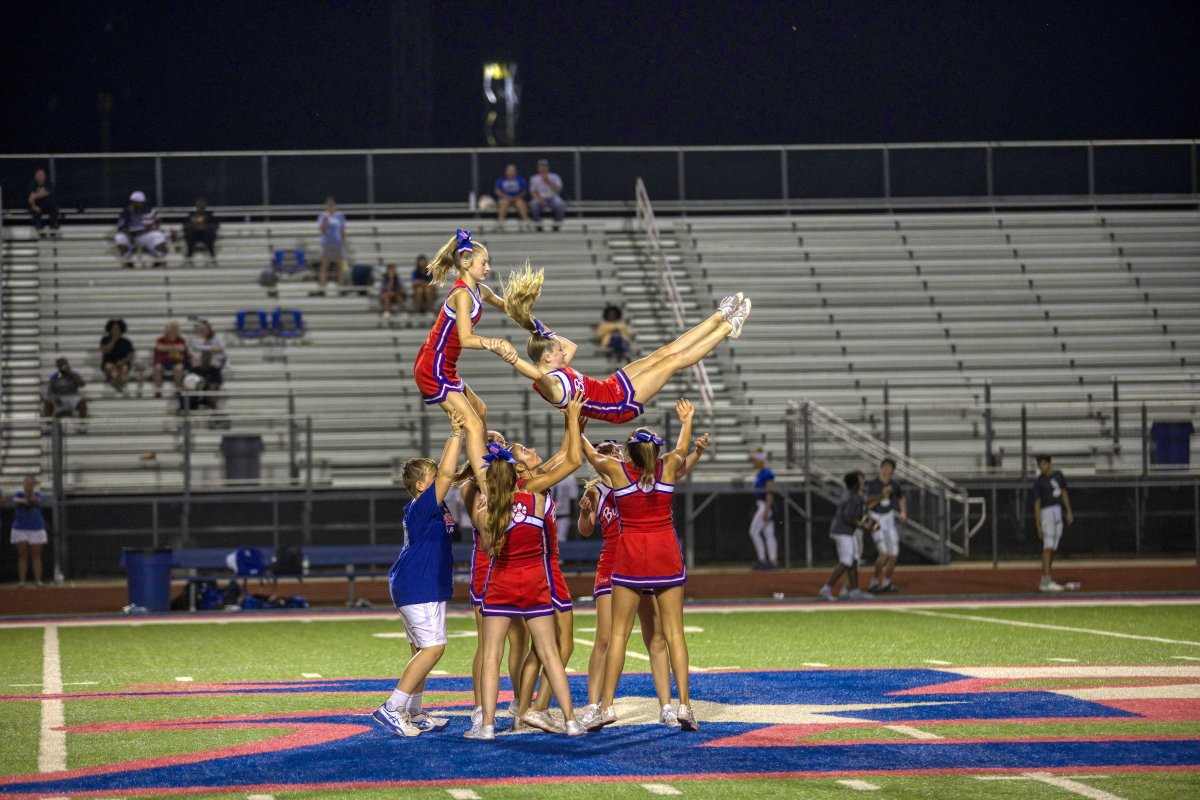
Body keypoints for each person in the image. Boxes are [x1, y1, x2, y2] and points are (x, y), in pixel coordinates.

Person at [577, 404, 709, 731]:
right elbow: (682, 449)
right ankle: (684, 706)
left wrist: (574, 425)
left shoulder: (618, 472)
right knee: (674, 634)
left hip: (631, 555)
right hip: (665, 553)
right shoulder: (669, 466)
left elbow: (590, 455)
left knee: (618, 634)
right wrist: (687, 421)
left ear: (630, 453)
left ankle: (606, 706)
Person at [468, 396, 587, 740]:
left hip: (502, 580)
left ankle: (488, 724)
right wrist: (573, 419)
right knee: (551, 652)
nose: (531, 451)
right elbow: (571, 460)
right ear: (516, 471)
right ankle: (569, 720)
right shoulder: (535, 496)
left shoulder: (489, 507)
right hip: (537, 578)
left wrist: (467, 429)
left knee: (491, 654)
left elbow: (489, 546)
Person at [495, 269, 750, 424]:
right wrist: (512, 357)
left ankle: (720, 315)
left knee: (663, 352)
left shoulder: (558, 366)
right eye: (556, 349)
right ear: (547, 357)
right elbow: (536, 373)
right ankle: (729, 328)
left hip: (612, 386)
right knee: (672, 362)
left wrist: (533, 324)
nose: (562, 350)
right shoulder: (549, 384)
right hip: (619, 404)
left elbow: (570, 347)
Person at [372, 410, 466, 737]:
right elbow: (448, 474)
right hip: (419, 583)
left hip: (419, 581)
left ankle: (413, 710)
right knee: (433, 649)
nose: (442, 478)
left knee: (419, 650)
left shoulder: (428, 504)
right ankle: (392, 707)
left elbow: (453, 474)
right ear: (422, 485)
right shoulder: (425, 502)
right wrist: (456, 433)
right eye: (435, 476)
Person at [413, 229, 517, 486]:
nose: (488, 268)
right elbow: (466, 338)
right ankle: (487, 488)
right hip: (433, 365)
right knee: (472, 424)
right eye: (484, 263)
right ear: (468, 263)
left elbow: (508, 307)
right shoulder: (461, 295)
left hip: (445, 365)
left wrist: (525, 308)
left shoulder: (480, 291)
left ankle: (479, 466)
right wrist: (494, 343)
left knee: (480, 410)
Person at [818, 471, 877, 602]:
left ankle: (854, 591)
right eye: (860, 481)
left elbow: (858, 512)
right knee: (846, 561)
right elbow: (848, 517)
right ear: (855, 484)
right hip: (843, 531)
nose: (863, 483)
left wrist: (867, 522)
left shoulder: (853, 495)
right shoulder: (852, 497)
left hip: (846, 531)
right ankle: (826, 589)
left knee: (854, 559)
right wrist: (864, 526)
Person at [1033, 454, 1073, 592]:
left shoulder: (1058, 475)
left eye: (1043, 464)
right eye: (1040, 465)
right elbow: (1037, 503)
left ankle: (1047, 578)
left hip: (1057, 511)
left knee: (1052, 547)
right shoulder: (1039, 482)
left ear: (1049, 464)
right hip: (1047, 513)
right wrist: (1038, 523)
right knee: (1048, 546)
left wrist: (1068, 510)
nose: (1041, 467)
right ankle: (1045, 580)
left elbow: (1064, 492)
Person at [866, 458, 907, 593]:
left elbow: (901, 497)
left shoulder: (894, 484)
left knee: (893, 553)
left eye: (889, 467)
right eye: (884, 467)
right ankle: (874, 581)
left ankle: (886, 582)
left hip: (889, 518)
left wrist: (903, 512)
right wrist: (881, 495)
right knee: (883, 553)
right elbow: (868, 503)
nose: (886, 469)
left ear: (893, 471)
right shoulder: (873, 484)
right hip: (876, 518)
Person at [11, 475, 48, 587]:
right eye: (26, 484)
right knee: (22, 555)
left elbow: (35, 501)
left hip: (36, 527)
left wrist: (29, 499)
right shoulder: (18, 494)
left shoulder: (38, 494)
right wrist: (25, 500)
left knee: (36, 555)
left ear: (34, 485)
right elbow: (17, 500)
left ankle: (38, 581)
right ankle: (22, 581)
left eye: (30, 484)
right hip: (20, 528)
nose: (28, 486)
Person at [115, 191, 167, 268]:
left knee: (159, 235)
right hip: (129, 235)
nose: (141, 204)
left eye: (142, 202)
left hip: (143, 234)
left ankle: (159, 259)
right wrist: (129, 236)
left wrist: (155, 228)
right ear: (133, 202)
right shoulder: (126, 212)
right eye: (139, 202)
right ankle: (127, 261)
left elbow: (158, 219)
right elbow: (121, 227)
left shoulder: (147, 210)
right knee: (119, 237)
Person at [748, 449, 778, 570]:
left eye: (755, 460)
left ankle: (762, 559)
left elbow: (769, 492)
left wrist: (766, 509)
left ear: (760, 460)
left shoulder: (766, 473)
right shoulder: (760, 473)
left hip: (765, 505)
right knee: (768, 533)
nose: (753, 462)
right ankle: (773, 560)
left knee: (754, 532)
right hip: (762, 505)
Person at [186, 319, 226, 409]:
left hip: (212, 363)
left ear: (208, 328)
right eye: (200, 328)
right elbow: (189, 351)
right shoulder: (193, 339)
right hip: (199, 364)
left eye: (204, 328)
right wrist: (196, 357)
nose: (202, 330)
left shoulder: (215, 338)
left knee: (214, 369)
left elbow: (221, 349)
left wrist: (210, 353)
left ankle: (210, 397)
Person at [41, 357, 88, 432]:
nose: (63, 366)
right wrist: (54, 397)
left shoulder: (74, 374)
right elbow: (49, 392)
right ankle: (49, 426)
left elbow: (82, 384)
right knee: (47, 402)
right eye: (60, 365)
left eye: (64, 364)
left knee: (82, 402)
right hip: (59, 397)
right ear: (58, 366)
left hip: (72, 396)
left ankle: (82, 425)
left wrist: (71, 374)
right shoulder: (55, 376)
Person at [311, 197, 346, 296]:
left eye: (332, 205)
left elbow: (342, 230)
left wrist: (343, 241)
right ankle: (322, 288)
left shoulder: (340, 216)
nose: (330, 207)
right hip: (327, 243)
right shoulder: (322, 216)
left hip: (337, 243)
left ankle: (341, 288)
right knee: (324, 267)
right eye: (329, 205)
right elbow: (321, 230)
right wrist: (325, 224)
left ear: (334, 206)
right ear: (326, 206)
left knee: (340, 266)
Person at [528, 159, 566, 231]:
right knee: (533, 204)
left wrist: (548, 181)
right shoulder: (534, 178)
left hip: (553, 197)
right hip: (540, 197)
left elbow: (559, 190)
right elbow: (533, 192)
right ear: (538, 168)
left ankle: (556, 225)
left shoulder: (555, 176)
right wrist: (540, 199)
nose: (543, 168)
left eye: (544, 166)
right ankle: (538, 226)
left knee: (560, 204)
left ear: (548, 167)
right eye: (541, 167)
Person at [152, 321, 187, 398]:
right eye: (171, 328)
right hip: (163, 361)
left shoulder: (180, 339)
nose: (172, 330)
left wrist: (167, 347)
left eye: (174, 328)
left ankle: (178, 390)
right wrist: (174, 347)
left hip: (176, 361)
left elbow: (182, 348)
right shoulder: (161, 339)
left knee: (179, 368)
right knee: (158, 367)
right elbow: (159, 348)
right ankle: (158, 391)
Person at [99, 318, 135, 393]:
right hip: (109, 363)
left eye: (117, 328)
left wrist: (123, 361)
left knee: (124, 369)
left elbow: (131, 355)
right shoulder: (105, 339)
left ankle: (117, 382)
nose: (115, 330)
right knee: (112, 371)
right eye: (113, 328)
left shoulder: (126, 342)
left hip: (122, 364)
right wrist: (114, 340)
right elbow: (105, 350)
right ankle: (115, 382)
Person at [181, 199, 220, 266]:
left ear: (204, 208)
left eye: (202, 207)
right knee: (190, 240)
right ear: (196, 207)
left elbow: (216, 225)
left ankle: (213, 258)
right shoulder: (191, 216)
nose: (200, 209)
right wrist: (193, 225)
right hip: (194, 234)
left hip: (205, 234)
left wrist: (205, 226)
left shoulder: (209, 216)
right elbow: (185, 226)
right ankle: (189, 259)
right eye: (199, 207)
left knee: (209, 239)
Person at [27, 168, 60, 236]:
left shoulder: (48, 183)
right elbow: (30, 198)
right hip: (38, 205)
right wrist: (34, 207)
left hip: (48, 205)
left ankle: (53, 229)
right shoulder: (32, 184)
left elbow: (47, 192)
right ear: (35, 176)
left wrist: (35, 196)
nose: (41, 176)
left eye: (42, 175)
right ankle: (40, 230)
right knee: (35, 211)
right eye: (39, 175)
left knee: (55, 209)